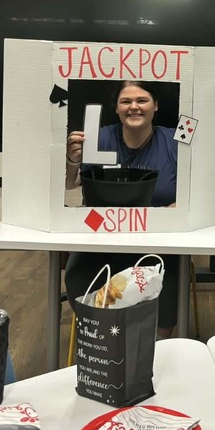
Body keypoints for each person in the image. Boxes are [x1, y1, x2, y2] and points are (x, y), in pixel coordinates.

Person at [64, 80, 179, 338]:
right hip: (102, 238)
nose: (134, 107)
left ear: (156, 105)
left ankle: (155, 345)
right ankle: (102, 343)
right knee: (79, 271)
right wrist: (73, 160)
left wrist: (176, 209)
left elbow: (195, 192)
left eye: (142, 100)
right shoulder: (99, 137)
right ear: (116, 108)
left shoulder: (172, 142)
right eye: (126, 101)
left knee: (170, 274)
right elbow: (70, 185)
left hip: (157, 241)